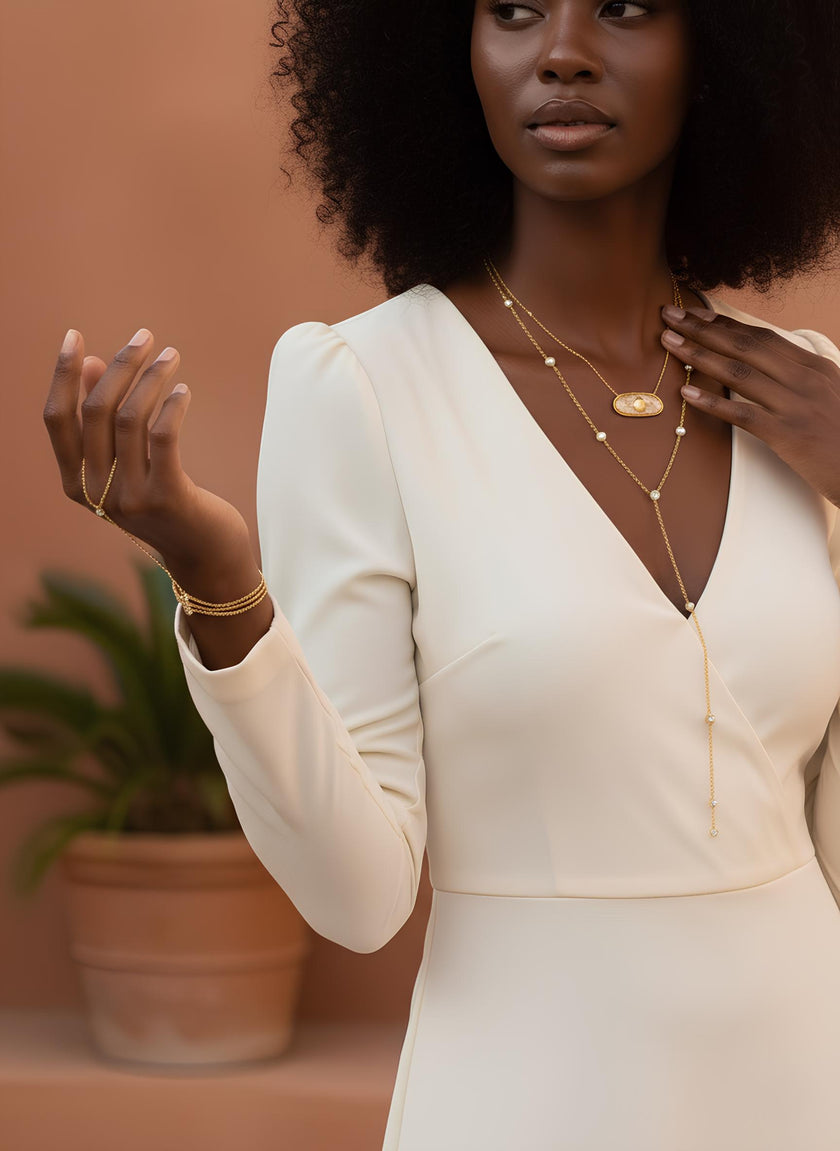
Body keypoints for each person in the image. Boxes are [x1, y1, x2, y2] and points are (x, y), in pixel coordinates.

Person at [44, 1, 840, 1147]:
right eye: (513, 9)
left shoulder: (803, 394)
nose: (562, 51)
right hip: (530, 1095)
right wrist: (216, 577)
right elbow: (358, 894)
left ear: (721, 48)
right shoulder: (366, 386)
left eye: (622, 7)